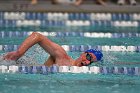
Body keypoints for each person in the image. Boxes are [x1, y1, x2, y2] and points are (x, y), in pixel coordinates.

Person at [3, 32, 103, 67]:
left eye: (90, 62)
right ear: (83, 53)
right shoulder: (62, 57)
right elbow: (37, 36)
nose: (86, 62)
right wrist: (18, 53)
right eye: (88, 57)